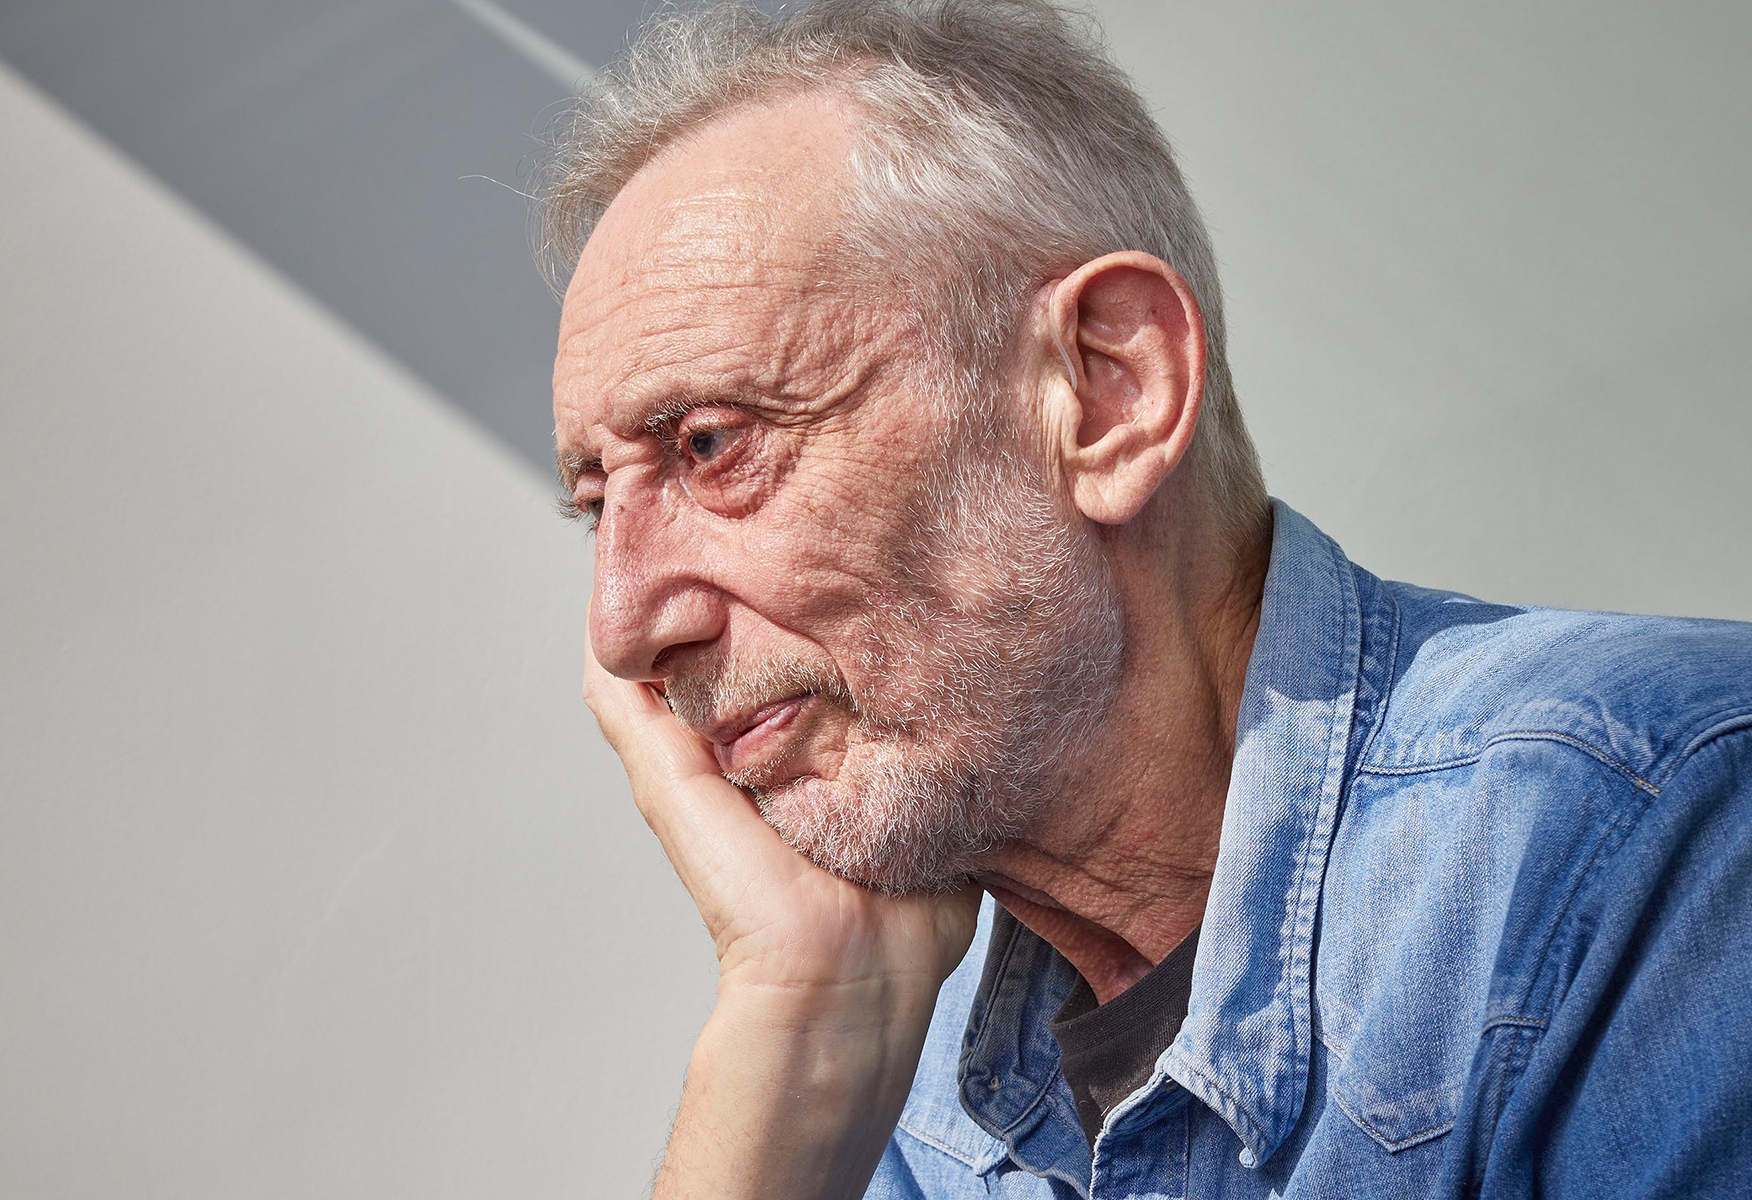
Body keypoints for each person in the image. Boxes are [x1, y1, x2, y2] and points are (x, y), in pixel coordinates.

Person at [544, 2, 1752, 1196]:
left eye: (710, 444)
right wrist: (796, 1030)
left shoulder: (1645, 841)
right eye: (600, 505)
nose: (625, 624)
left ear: (1109, 393)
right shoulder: (901, 1092)